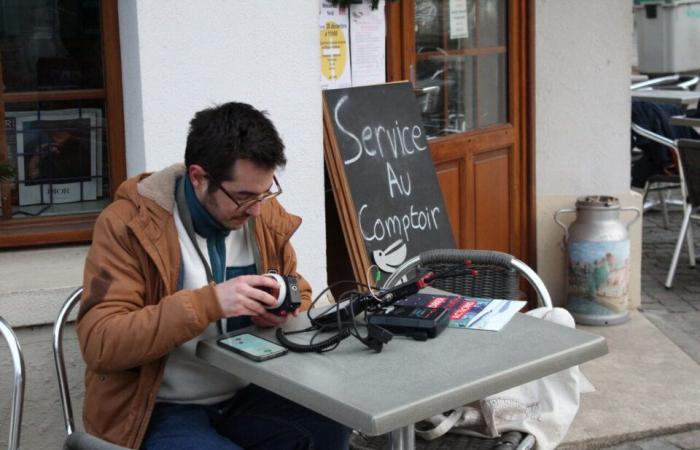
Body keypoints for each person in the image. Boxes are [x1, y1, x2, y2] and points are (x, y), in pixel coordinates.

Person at [77, 102, 351, 449]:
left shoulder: (260, 215)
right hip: (159, 407)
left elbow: (301, 292)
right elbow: (100, 342)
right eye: (243, 196)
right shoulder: (128, 225)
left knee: (330, 428)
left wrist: (282, 304)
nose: (255, 209)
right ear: (198, 177)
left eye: (265, 192)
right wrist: (208, 303)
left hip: (252, 392)